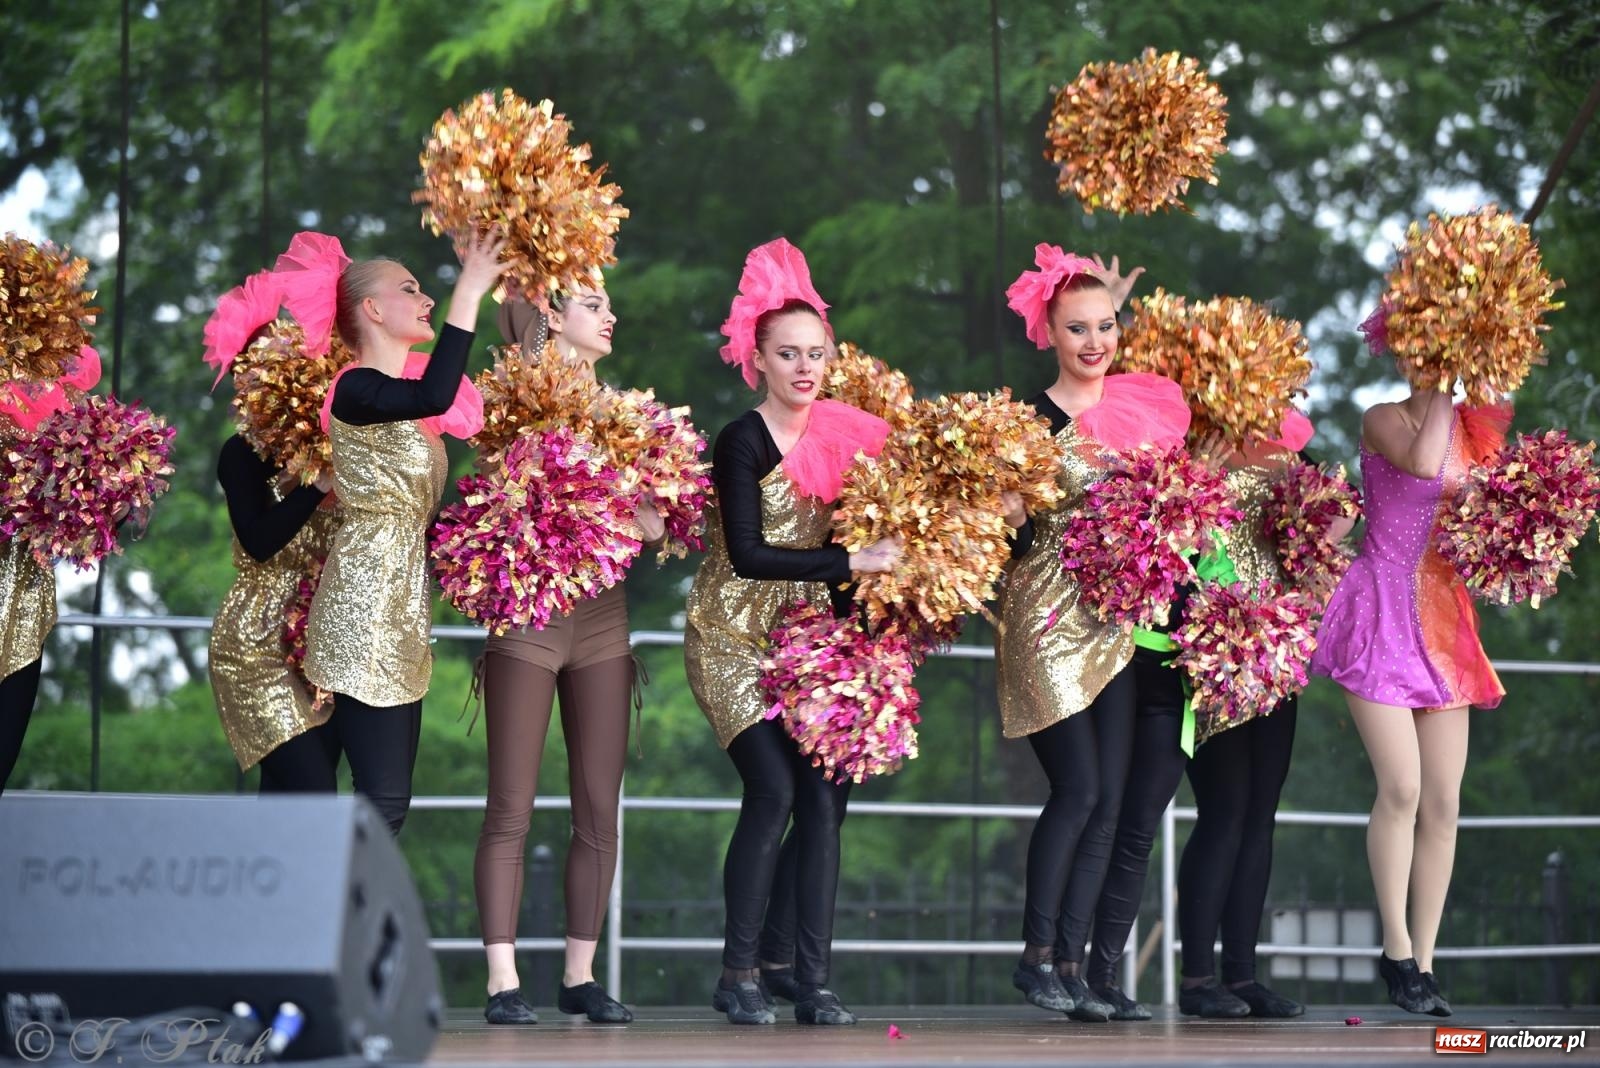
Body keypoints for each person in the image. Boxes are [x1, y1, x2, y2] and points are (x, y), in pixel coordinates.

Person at [684, 238, 900, 1027]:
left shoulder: (850, 434)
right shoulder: (741, 440)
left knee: (826, 800)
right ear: (758, 359)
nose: (805, 368)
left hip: (811, 645)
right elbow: (745, 555)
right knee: (773, 788)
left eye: (816, 353)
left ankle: (808, 975)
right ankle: (738, 972)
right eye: (788, 354)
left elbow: (896, 526)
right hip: (733, 636)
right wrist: (852, 557)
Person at [995, 244, 1189, 1021]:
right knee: (1077, 788)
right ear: (1050, 332)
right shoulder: (1026, 421)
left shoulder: (1143, 409)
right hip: (1043, 616)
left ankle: (1074, 968)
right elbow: (997, 529)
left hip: (1116, 621)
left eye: (1106, 325)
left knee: (1110, 800)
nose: (1095, 343)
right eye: (1078, 329)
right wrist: (1007, 510)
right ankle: (1036, 957)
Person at [470, 286, 664, 1027]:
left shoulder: (627, 413)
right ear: (551, 315)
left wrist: (647, 506)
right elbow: (510, 306)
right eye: (591, 301)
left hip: (604, 620)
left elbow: (651, 523)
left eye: (613, 302)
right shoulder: (520, 390)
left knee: (597, 808)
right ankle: (501, 980)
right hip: (530, 614)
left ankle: (579, 977)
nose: (611, 314)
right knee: (511, 805)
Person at [300, 227, 508, 835]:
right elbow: (437, 391)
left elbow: (421, 496)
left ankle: (336, 924)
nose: (426, 300)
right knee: (383, 800)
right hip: (363, 599)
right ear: (371, 309)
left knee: (386, 799)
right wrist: (468, 291)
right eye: (411, 289)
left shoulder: (398, 405)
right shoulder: (355, 387)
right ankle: (340, 927)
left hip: (402, 602)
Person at [1311, 369, 1506, 1017]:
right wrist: (1448, 390)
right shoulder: (1383, 417)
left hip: (1445, 618)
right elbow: (1424, 466)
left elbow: (1485, 526)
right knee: (1402, 787)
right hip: (1382, 607)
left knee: (1444, 804)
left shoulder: (1475, 434)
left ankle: (1424, 962)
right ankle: (1395, 952)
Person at [210, 434, 339, 791]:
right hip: (256, 643)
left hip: (322, 642)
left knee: (286, 800)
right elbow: (258, 543)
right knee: (316, 793)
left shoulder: (347, 445)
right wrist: (316, 487)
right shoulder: (244, 450)